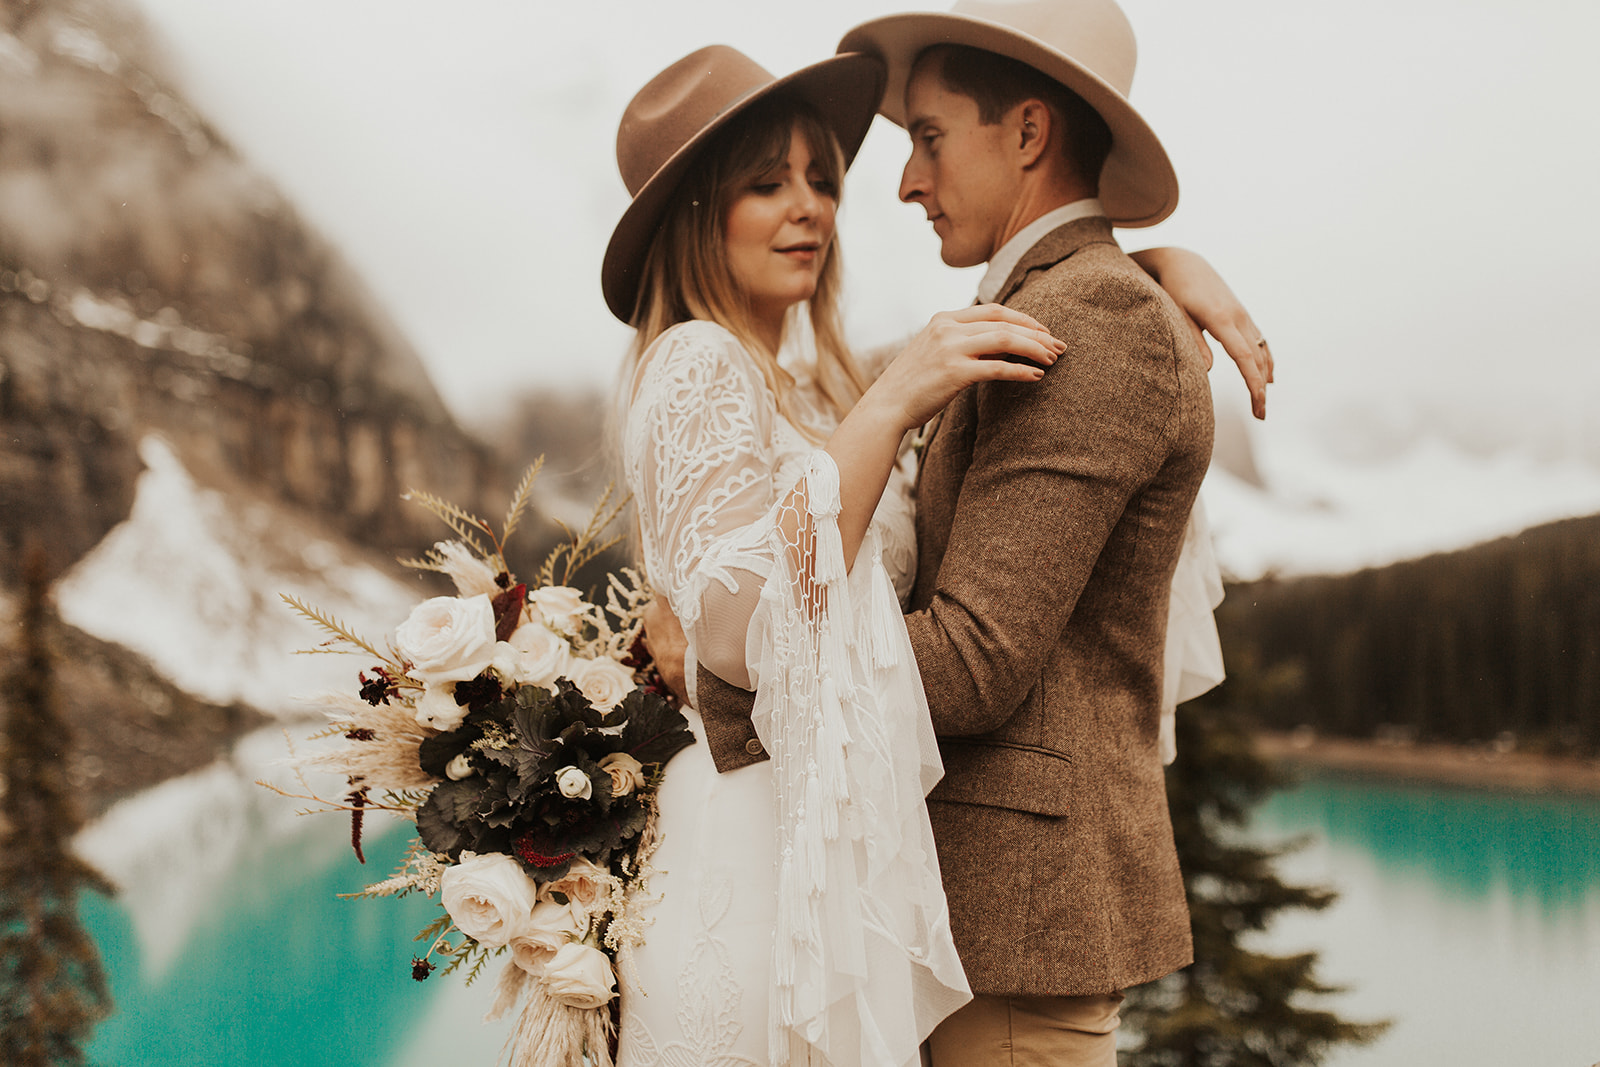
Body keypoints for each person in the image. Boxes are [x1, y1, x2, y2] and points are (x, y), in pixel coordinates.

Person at [660, 1, 1267, 1065]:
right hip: (959, 929)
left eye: (927, 137)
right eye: (770, 182)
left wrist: (724, 673)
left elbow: (976, 660)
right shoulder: (1047, 310)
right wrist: (1155, 262)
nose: (897, 183)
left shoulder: (1095, 317)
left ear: (1027, 134)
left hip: (1011, 940)